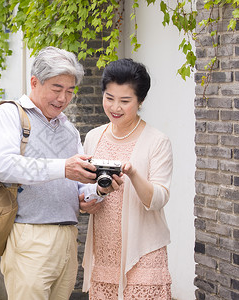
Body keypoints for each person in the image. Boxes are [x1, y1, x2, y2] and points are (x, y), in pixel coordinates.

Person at [0, 46, 119, 300]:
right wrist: (63, 167)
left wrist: (100, 189)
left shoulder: (69, 129)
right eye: (57, 89)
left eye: (69, 91)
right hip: (29, 235)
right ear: (34, 82)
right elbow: (4, 167)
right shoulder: (10, 114)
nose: (63, 98)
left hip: (68, 237)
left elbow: (79, 192)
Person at [79, 58, 173, 299]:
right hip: (104, 253)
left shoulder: (157, 141)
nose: (115, 107)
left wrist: (132, 173)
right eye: (109, 98)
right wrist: (90, 199)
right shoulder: (93, 137)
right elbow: (83, 191)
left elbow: (158, 199)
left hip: (143, 253)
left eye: (125, 101)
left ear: (140, 101)